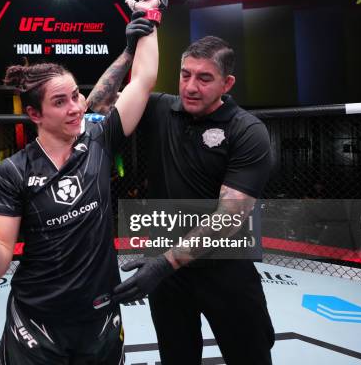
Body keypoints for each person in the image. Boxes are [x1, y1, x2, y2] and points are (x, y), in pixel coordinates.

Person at [0, 0, 163, 365]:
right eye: (60, 102)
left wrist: (149, 15)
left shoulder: (99, 140)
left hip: (101, 312)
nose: (75, 107)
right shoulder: (14, 171)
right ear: (34, 114)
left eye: (75, 96)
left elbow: (144, 80)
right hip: (37, 320)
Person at [87, 36, 275, 364]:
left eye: (204, 78)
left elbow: (230, 216)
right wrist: (131, 49)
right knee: (177, 357)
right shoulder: (162, 108)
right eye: (185, 74)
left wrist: (165, 262)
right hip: (168, 273)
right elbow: (100, 105)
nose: (190, 86)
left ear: (226, 83)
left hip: (225, 269)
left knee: (250, 356)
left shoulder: (246, 130)